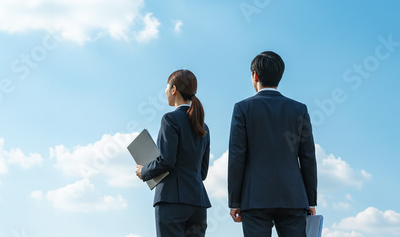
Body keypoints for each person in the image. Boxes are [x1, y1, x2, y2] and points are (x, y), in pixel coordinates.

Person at [228, 51, 317, 237]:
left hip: (255, 198)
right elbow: (307, 156)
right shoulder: (299, 109)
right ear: (280, 75)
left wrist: (235, 201)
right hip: (293, 197)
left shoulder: (242, 108)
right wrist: (310, 200)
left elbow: (237, 156)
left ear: (255, 75)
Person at [135, 69, 211, 237]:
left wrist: (144, 170)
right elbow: (202, 173)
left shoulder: (170, 119)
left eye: (166, 87)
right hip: (198, 203)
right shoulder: (204, 127)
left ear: (174, 89)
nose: (165, 91)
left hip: (171, 202)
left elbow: (167, 161)